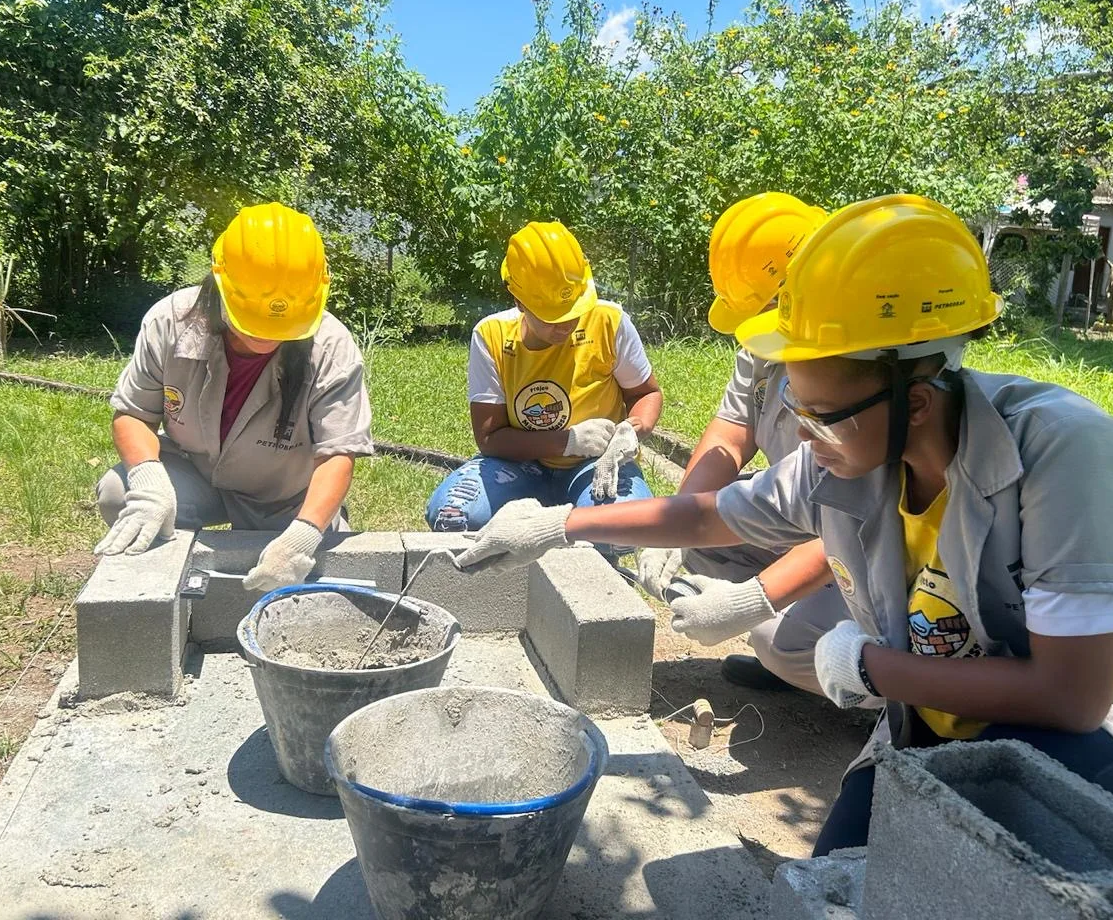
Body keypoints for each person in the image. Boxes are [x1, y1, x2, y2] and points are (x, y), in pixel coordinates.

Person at [449, 194, 1113, 853]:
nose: (801, 437)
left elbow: (1071, 697)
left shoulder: (1062, 452)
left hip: (1105, 738)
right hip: (946, 724)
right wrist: (564, 524)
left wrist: (871, 667)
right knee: (836, 875)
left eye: (817, 418)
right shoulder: (855, 448)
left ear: (914, 400)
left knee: (972, 860)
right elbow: (711, 513)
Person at [637, 192, 854, 696]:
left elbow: (862, 520)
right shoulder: (763, 348)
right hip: (805, 518)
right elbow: (729, 435)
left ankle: (888, 696)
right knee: (704, 538)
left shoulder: (856, 363)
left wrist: (755, 601)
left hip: (858, 547)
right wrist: (673, 522)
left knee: (776, 639)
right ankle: (803, 655)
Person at [95, 202, 373, 592]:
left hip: (283, 497)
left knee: (311, 573)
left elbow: (337, 454)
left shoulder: (331, 346)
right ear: (220, 283)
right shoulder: (169, 322)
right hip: (198, 476)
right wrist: (149, 482)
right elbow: (134, 414)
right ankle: (162, 585)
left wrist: (302, 539)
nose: (267, 336)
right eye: (253, 320)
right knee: (117, 492)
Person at [424, 220, 662, 559]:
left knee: (619, 532)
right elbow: (490, 438)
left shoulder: (608, 322)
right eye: (553, 316)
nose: (566, 324)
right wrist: (567, 441)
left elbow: (645, 394)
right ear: (519, 301)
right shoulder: (491, 337)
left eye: (574, 312)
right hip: (520, 463)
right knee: (454, 517)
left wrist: (631, 430)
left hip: (595, 465)